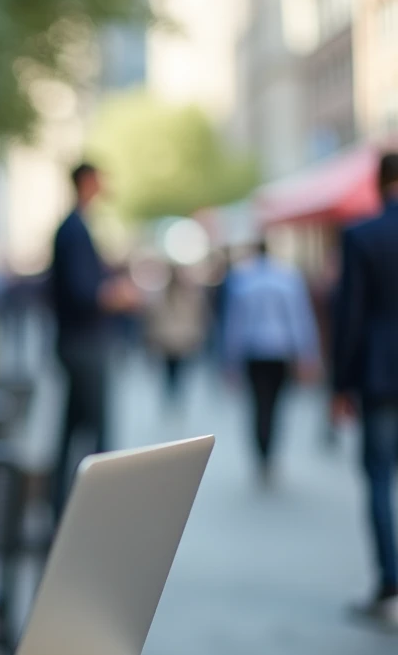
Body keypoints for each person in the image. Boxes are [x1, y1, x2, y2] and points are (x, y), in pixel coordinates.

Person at [49, 162, 140, 518]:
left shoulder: (73, 227)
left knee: (73, 428)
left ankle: (63, 506)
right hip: (84, 343)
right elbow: (83, 292)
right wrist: (117, 295)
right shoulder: (75, 230)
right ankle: (100, 510)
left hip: (77, 342)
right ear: (87, 182)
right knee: (98, 430)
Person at [332, 152, 398, 623]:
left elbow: (348, 316)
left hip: (380, 374)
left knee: (378, 477)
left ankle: (390, 583)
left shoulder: (362, 235)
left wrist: (339, 386)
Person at [223, 240, 320, 486]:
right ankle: (270, 452)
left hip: (253, 351)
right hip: (280, 351)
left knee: (258, 404)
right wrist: (307, 354)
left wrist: (230, 359)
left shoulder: (243, 280)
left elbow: (234, 322)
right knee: (276, 405)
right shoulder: (287, 278)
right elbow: (299, 318)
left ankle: (262, 453)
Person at [146, 264, 209, 410]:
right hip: (177, 340)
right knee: (176, 371)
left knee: (172, 371)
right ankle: (174, 396)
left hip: (172, 340)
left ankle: (173, 396)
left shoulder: (182, 295)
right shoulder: (183, 295)